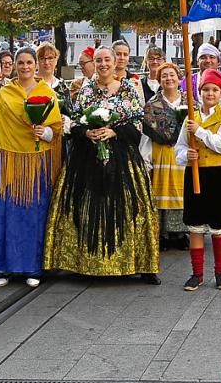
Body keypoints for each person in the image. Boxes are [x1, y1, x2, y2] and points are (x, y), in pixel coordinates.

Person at [44, 45, 159, 282]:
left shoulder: (129, 88)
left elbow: (139, 124)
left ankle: (141, 263)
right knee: (81, 205)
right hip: (87, 158)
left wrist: (114, 133)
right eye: (98, 60)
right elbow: (75, 122)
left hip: (122, 156)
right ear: (93, 64)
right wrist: (87, 133)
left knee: (131, 206)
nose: (103, 64)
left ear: (116, 61)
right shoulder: (86, 90)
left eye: (107, 59)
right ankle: (84, 263)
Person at [0, 47, 63, 287]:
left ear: (36, 66)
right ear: (15, 65)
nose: (26, 67)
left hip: (37, 161)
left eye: (29, 62)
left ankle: (32, 267)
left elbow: (56, 127)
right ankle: (2, 267)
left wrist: (45, 131)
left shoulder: (47, 92)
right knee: (6, 212)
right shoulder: (4, 93)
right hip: (9, 161)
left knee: (34, 214)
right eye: (21, 62)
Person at [176, 68, 221, 290]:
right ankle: (196, 273)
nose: (210, 93)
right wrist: (186, 155)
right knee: (195, 226)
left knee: (218, 226)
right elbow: (178, 149)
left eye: (214, 90)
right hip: (195, 174)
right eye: (206, 89)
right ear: (199, 92)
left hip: (217, 175)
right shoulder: (190, 118)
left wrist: (200, 131)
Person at [142, 61, 188, 249]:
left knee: (183, 192)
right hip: (161, 153)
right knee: (161, 192)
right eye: (164, 76)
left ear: (179, 78)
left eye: (172, 75)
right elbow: (146, 134)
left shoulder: (189, 102)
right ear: (159, 80)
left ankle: (181, 233)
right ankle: (163, 234)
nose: (169, 79)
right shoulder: (152, 104)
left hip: (182, 153)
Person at [35, 42, 70, 108]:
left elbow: (69, 111)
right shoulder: (30, 83)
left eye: (50, 58)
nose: (46, 62)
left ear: (56, 60)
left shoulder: (62, 86)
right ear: (37, 61)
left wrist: (66, 118)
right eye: (42, 58)